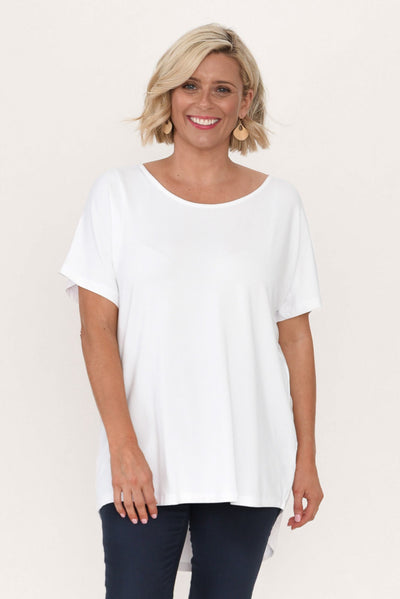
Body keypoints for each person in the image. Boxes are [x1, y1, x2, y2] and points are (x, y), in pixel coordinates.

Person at [58, 22, 324, 599]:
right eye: (189, 85)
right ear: (169, 95)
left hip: (247, 457)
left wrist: (306, 456)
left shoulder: (279, 204)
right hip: (144, 459)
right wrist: (123, 448)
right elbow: (96, 330)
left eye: (222, 89)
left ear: (244, 102)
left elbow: (296, 337)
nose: (204, 102)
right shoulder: (117, 195)